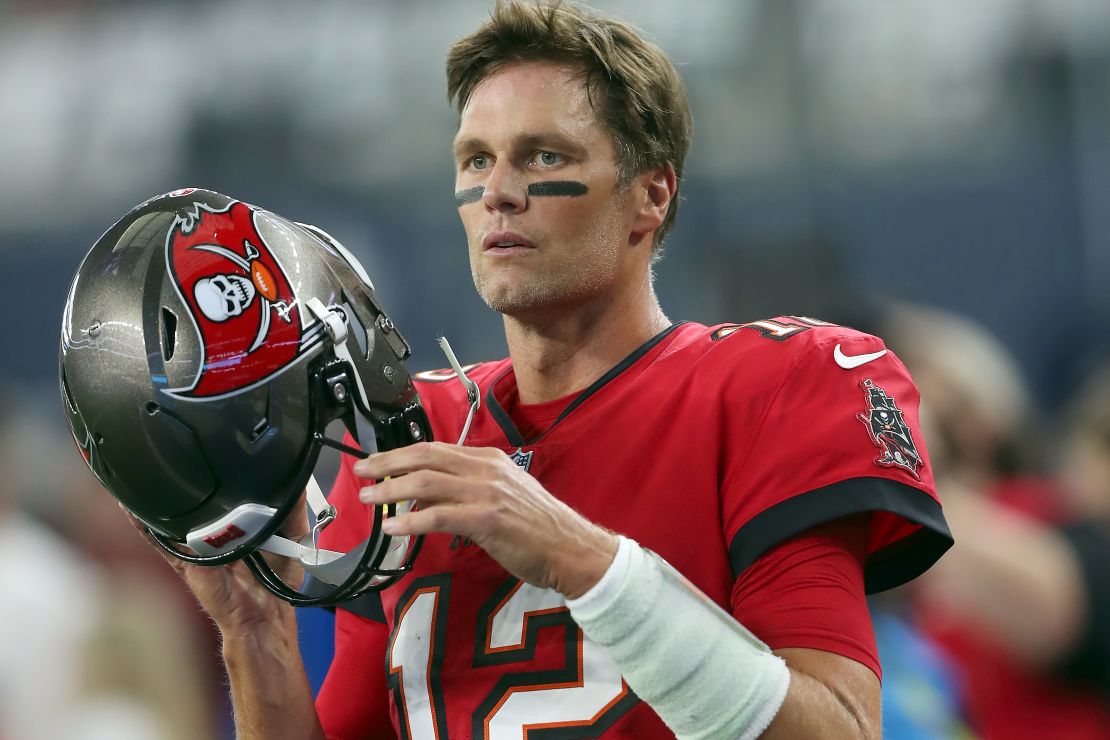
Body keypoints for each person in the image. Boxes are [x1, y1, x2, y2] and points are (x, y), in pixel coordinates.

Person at [150, 2, 951, 738]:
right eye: (476, 159)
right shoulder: (407, 430)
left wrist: (579, 558)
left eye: (542, 155)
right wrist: (253, 636)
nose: (497, 191)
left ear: (651, 196)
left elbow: (840, 728)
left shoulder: (764, 387)